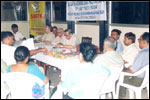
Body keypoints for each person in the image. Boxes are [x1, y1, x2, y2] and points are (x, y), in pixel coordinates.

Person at [119, 32, 149, 98]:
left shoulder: (142, 53)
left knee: (120, 77)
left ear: (144, 42)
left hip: (138, 80)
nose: (138, 42)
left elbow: (132, 71)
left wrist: (123, 70)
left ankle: (120, 97)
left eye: (139, 40)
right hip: (146, 78)